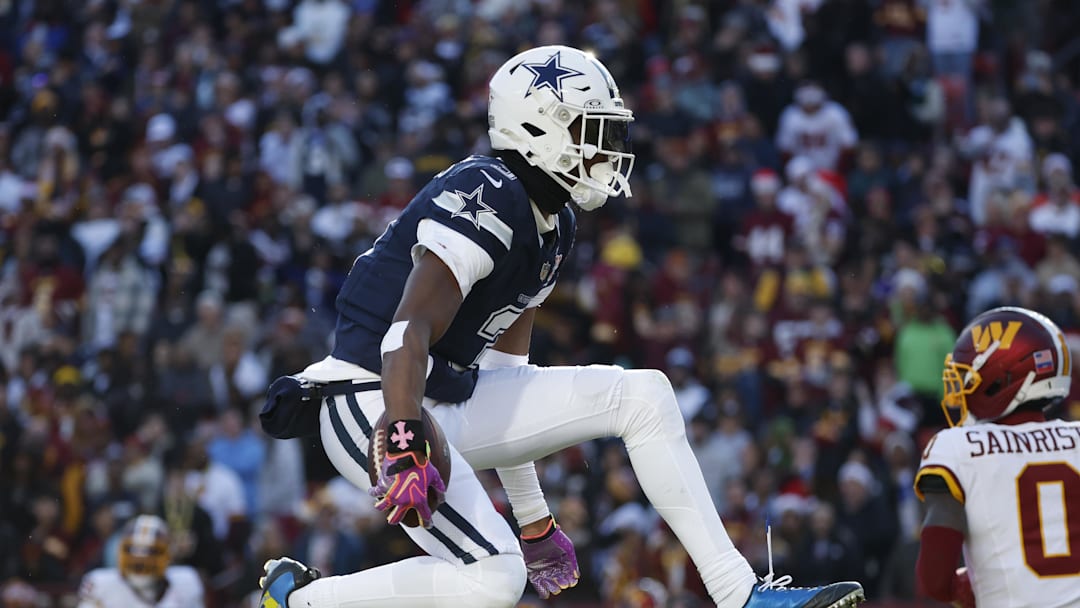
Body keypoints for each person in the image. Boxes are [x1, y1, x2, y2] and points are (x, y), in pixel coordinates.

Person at [257, 45, 864, 608]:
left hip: (440, 395)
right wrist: (403, 438)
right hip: (375, 397)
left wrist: (535, 518)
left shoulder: (555, 220)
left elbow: (502, 373)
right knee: (496, 578)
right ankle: (303, 601)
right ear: (537, 126)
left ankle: (740, 594)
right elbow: (405, 332)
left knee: (644, 396)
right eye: (591, 132)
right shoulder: (488, 190)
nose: (605, 151)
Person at [915, 306, 1080, 607]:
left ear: (998, 378)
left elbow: (934, 580)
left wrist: (965, 587)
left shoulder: (956, 448)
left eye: (967, 377)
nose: (960, 388)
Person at [76, 514, 205, 607]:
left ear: (168, 553)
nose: (141, 559)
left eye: (151, 551)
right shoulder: (100, 583)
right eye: (133, 550)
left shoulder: (185, 581)